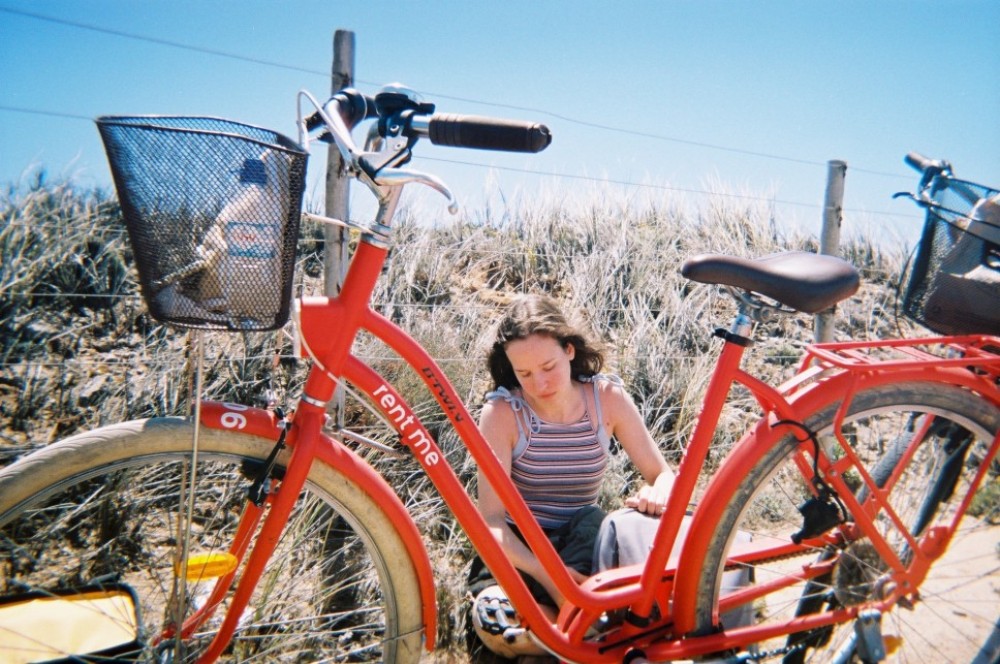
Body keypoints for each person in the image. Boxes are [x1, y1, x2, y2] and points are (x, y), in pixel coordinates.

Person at [469, 294, 676, 659]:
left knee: (598, 523)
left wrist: (656, 492)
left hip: (583, 546)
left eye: (548, 366)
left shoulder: (606, 399)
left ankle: (570, 637)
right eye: (525, 373)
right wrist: (555, 580)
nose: (540, 383)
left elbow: (663, 475)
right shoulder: (502, 412)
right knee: (494, 619)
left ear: (569, 350)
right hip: (521, 553)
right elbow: (492, 523)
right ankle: (583, 639)